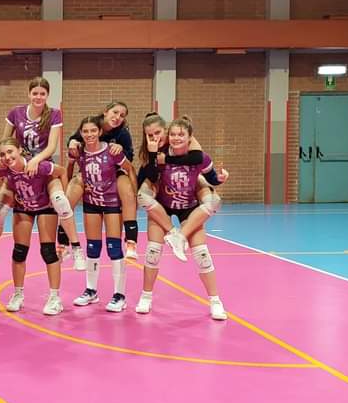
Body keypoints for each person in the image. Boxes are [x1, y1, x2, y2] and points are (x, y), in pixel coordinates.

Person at [136, 115, 228, 320]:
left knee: (202, 254)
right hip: (164, 205)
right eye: (174, 134)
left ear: (190, 137)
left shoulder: (199, 156)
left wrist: (220, 179)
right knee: (153, 251)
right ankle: (146, 296)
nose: (176, 138)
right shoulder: (159, 154)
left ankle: (215, 301)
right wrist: (153, 156)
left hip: (188, 206)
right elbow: (149, 176)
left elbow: (211, 176)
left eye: (181, 135)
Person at [0, 78, 85, 271]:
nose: (38, 97)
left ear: (47, 95)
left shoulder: (54, 114)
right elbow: (5, 140)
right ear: (29, 94)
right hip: (19, 167)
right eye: (35, 93)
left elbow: (51, 146)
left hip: (43, 166)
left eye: (42, 94)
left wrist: (36, 160)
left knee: (61, 201)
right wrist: (4, 158)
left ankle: (76, 248)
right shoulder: (16, 113)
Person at [0, 138, 64, 315]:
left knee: (48, 251)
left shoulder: (37, 165)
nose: (7, 157)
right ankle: (18, 294)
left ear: (20, 150)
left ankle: (55, 298)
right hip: (24, 207)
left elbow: (61, 172)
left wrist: (63, 197)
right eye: (3, 154)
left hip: (45, 207)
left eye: (10, 151)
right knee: (19, 252)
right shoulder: (5, 170)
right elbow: (5, 184)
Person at [71, 116, 135, 312]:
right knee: (92, 247)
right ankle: (91, 290)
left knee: (114, 247)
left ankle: (119, 295)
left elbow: (129, 169)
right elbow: (72, 171)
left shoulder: (112, 150)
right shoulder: (80, 152)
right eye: (85, 131)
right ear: (81, 133)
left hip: (112, 202)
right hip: (91, 203)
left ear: (100, 132)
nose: (89, 134)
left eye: (93, 130)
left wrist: (132, 195)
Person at [65, 101, 139, 260]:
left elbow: (129, 160)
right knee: (70, 193)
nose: (118, 117)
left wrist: (120, 149)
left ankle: (131, 242)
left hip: (115, 169)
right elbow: (74, 140)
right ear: (105, 112)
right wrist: (71, 142)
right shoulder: (92, 125)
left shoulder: (122, 133)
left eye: (122, 115)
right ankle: (63, 243)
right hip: (92, 170)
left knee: (128, 193)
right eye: (115, 112)